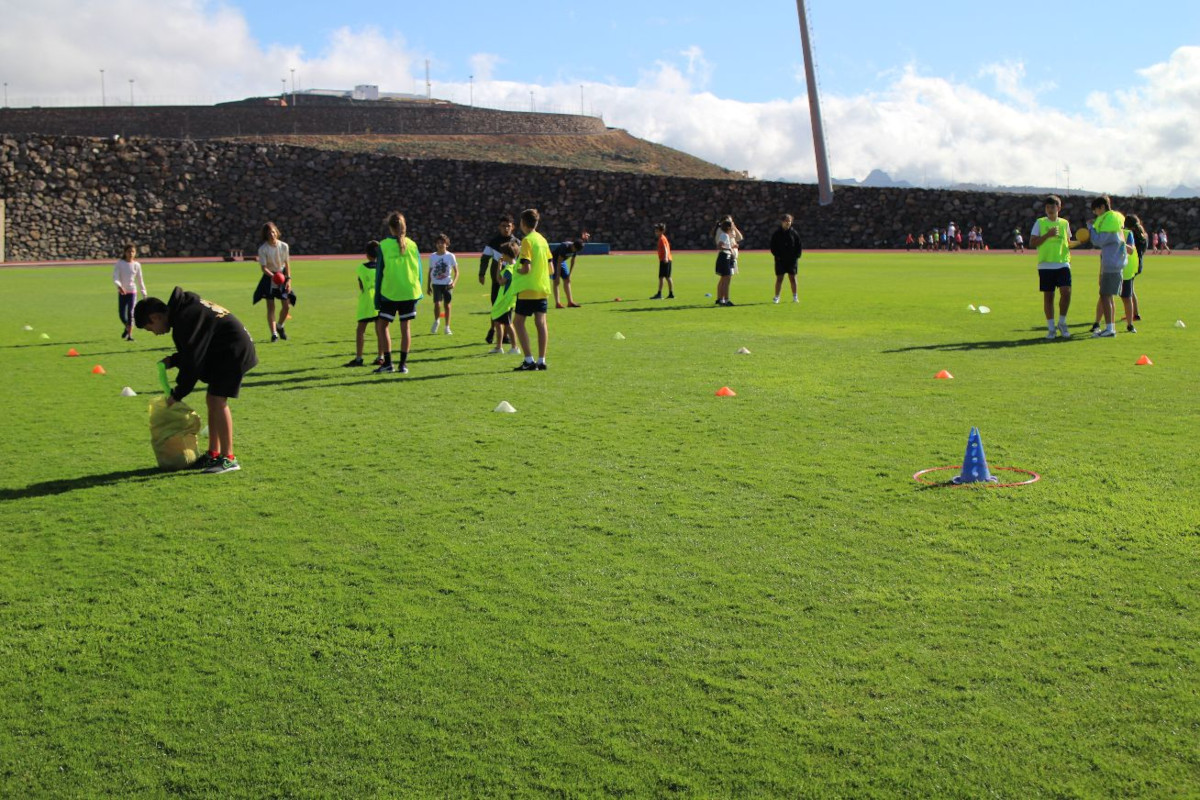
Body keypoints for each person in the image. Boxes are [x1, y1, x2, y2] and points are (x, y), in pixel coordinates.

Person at [134, 286, 258, 474]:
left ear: (155, 317)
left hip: (233, 351)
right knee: (212, 399)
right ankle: (214, 454)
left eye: (150, 328)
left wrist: (177, 394)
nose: (155, 333)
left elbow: (194, 361)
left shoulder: (185, 318)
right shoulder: (185, 312)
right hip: (227, 348)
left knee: (218, 399)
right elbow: (196, 347)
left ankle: (229, 459)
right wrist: (175, 360)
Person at [373, 211, 423, 374]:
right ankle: (403, 365)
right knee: (405, 327)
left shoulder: (384, 245)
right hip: (410, 291)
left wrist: (377, 297)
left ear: (390, 228)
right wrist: (419, 292)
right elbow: (419, 271)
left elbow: (379, 272)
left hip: (391, 292)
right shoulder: (413, 244)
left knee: (382, 326)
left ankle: (388, 363)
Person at [511, 208, 553, 371]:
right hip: (542, 288)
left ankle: (529, 360)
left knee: (518, 322)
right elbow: (551, 268)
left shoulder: (527, 241)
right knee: (541, 323)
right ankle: (541, 360)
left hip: (528, 289)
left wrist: (515, 269)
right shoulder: (542, 240)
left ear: (523, 223)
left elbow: (526, 268)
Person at [1029, 194, 1073, 340]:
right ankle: (1051, 328)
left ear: (1059, 208)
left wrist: (1081, 241)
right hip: (1046, 265)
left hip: (1062, 263)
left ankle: (1062, 322)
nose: (1050, 210)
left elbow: (1068, 242)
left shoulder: (1065, 223)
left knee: (1066, 292)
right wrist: (1047, 235)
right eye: (1047, 207)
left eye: (1052, 207)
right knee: (1049, 296)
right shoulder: (1040, 223)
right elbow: (1032, 243)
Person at [1085, 195, 1128, 338]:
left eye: (1095, 211)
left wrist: (1091, 228)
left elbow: (1099, 240)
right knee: (1108, 297)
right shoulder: (1115, 221)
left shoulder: (1109, 223)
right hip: (1117, 264)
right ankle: (1110, 327)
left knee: (1105, 296)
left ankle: (1110, 328)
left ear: (1101, 207)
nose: (1095, 214)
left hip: (1111, 264)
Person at [479, 214, 519, 345]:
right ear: (499, 227)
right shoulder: (493, 242)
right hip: (497, 282)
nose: (506, 228)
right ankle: (493, 330)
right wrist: (481, 273)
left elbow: (522, 262)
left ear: (513, 227)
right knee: (495, 307)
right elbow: (485, 258)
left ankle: (506, 336)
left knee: (508, 309)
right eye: (503, 226)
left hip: (511, 284)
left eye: (508, 226)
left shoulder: (517, 243)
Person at [344, 241, 383, 367]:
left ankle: (359, 358)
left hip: (366, 301)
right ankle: (381, 357)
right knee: (380, 330)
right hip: (380, 301)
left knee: (361, 330)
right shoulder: (383, 267)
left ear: (367, 254)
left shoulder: (361, 268)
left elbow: (361, 286)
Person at [256, 221, 291, 342]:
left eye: (273, 231)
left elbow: (287, 264)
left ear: (276, 232)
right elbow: (263, 268)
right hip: (269, 278)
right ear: (265, 235)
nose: (271, 234)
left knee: (286, 306)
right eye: (269, 233)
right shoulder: (263, 249)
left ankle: (280, 326)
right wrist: (273, 277)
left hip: (282, 276)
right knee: (271, 307)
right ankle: (274, 334)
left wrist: (288, 279)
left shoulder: (284, 246)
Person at [487, 240, 520, 355]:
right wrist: (500, 266)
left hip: (506, 301)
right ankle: (498, 347)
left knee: (508, 323)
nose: (502, 255)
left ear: (507, 254)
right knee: (498, 322)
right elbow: (500, 280)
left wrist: (499, 267)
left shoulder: (510, 269)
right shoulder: (515, 266)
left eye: (503, 253)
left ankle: (515, 347)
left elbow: (500, 282)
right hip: (506, 301)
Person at [112, 244, 148, 341]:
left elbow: (140, 280)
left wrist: (144, 292)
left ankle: (130, 335)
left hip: (132, 292)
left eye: (133, 252)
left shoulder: (137, 265)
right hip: (122, 292)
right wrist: (119, 286)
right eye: (129, 251)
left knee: (130, 313)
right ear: (125, 252)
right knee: (121, 315)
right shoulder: (120, 263)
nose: (131, 254)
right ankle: (127, 327)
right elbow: (115, 277)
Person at [427, 233, 459, 335]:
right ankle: (437, 321)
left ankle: (447, 327)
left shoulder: (450, 256)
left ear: (447, 244)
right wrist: (428, 285)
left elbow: (457, 272)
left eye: (442, 243)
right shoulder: (432, 256)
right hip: (436, 284)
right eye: (438, 243)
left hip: (447, 284)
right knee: (437, 304)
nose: (440, 245)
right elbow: (430, 271)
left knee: (447, 306)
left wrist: (454, 283)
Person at [769, 213, 803, 303]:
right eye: (786, 221)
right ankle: (777, 297)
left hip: (792, 261)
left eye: (789, 221)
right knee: (779, 278)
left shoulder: (794, 233)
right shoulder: (776, 234)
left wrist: (796, 257)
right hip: (780, 260)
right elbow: (773, 247)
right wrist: (778, 256)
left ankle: (795, 297)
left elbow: (798, 246)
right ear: (782, 222)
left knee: (793, 278)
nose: (788, 223)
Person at [713, 216, 743, 306]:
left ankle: (722, 299)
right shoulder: (724, 235)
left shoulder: (726, 235)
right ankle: (726, 299)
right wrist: (729, 248)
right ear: (729, 228)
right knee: (726, 279)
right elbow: (719, 246)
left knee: (725, 279)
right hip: (725, 257)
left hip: (727, 257)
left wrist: (732, 247)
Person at [550, 237, 585, 308]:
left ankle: (570, 302)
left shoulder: (576, 248)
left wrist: (570, 274)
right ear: (573, 245)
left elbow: (573, 261)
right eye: (575, 249)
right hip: (554, 261)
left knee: (567, 280)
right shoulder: (565, 247)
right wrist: (557, 276)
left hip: (562, 261)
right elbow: (559, 262)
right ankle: (558, 303)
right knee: (556, 282)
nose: (575, 251)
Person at [1126, 213, 1147, 323]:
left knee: (1129, 290)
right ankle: (1134, 313)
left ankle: (1135, 313)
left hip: (1132, 263)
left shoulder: (1132, 234)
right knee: (1131, 289)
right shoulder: (1143, 234)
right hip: (1139, 263)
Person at [650, 223, 675, 299]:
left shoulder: (662, 238)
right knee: (667, 277)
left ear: (661, 231)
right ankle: (670, 294)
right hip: (666, 259)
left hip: (665, 260)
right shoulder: (662, 238)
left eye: (657, 231)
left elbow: (665, 249)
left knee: (662, 277)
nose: (655, 232)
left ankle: (660, 294)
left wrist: (665, 257)